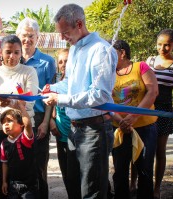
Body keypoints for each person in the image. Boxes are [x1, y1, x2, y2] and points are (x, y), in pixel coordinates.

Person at [42, 4, 118, 198]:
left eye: (65, 32)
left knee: (91, 191)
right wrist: (53, 89)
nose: (62, 38)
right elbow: (70, 83)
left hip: (94, 131)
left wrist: (61, 99)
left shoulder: (101, 50)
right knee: (73, 186)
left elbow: (99, 94)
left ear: (79, 23)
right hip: (74, 130)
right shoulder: (74, 50)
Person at [0, 34, 38, 199]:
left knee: (27, 173)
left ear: (21, 53)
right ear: (0, 52)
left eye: (16, 52)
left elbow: (30, 101)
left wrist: (12, 102)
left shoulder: (29, 72)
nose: (12, 56)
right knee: (3, 174)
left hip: (23, 131)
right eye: (8, 52)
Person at [111, 40, 158, 199]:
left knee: (144, 170)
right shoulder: (108, 73)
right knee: (120, 172)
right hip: (119, 129)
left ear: (122, 53)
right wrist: (120, 120)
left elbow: (153, 91)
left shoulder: (141, 67)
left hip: (145, 128)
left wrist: (133, 116)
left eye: (111, 53)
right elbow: (104, 100)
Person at [16, 17, 56, 199]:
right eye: (24, 35)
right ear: (18, 36)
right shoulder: (13, 58)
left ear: (37, 37)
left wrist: (46, 122)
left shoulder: (47, 61)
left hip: (39, 116)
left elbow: (50, 94)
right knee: (19, 162)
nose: (27, 39)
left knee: (40, 165)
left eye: (31, 35)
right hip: (17, 116)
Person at [146, 29, 173, 199]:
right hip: (145, 108)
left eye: (167, 45)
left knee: (160, 150)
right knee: (141, 146)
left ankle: (156, 188)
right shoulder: (149, 61)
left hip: (164, 110)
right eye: (159, 44)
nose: (163, 48)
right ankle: (134, 182)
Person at [48, 48, 78, 199]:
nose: (63, 64)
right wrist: (51, 121)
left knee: (83, 174)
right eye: (60, 61)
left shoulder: (80, 82)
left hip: (78, 136)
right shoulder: (57, 84)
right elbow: (51, 106)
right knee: (67, 175)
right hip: (61, 136)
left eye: (66, 60)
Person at [0, 101, 38, 198]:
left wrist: (21, 106)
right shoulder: (4, 144)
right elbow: (4, 163)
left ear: (21, 124)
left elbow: (28, 124)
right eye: (3, 122)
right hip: (13, 184)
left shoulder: (25, 139)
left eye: (9, 121)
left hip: (29, 184)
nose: (6, 124)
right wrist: (4, 181)